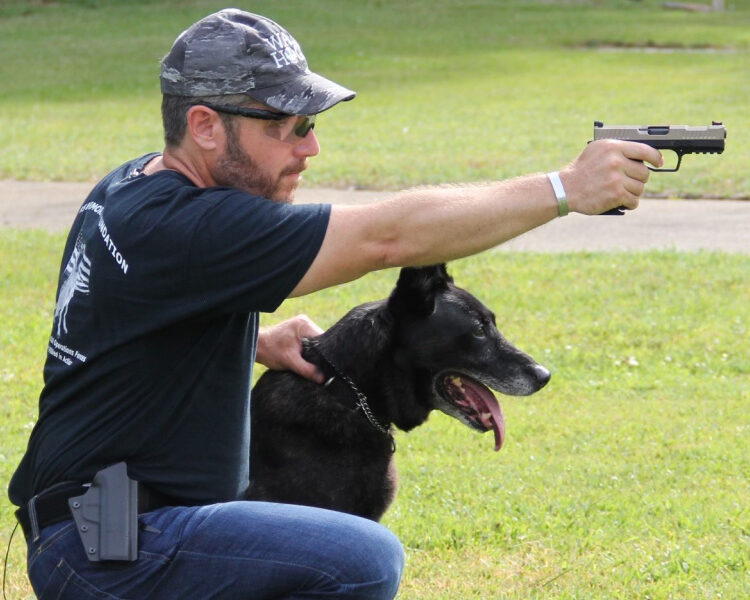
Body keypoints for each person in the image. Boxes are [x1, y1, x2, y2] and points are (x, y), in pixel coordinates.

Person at [8, 8, 663, 600]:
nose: (310, 148)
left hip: (92, 523)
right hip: (110, 549)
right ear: (205, 126)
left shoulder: (131, 184)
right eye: (288, 128)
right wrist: (567, 187)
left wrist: (250, 339)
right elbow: (388, 237)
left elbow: (114, 316)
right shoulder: (191, 226)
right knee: (360, 557)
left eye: (311, 125)